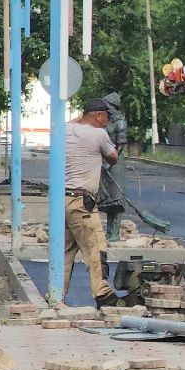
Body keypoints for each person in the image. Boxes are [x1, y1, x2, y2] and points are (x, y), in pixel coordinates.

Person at [64, 97, 121, 307]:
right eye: (106, 116)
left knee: (67, 250)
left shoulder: (65, 130)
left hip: (63, 201)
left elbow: (74, 121)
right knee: (96, 246)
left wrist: (82, 117)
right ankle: (102, 294)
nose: (108, 120)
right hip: (82, 202)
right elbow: (113, 157)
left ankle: (56, 294)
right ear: (98, 115)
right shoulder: (99, 134)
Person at [97, 91, 128, 241]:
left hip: (116, 163)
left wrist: (111, 159)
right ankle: (109, 231)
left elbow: (121, 144)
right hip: (105, 161)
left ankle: (114, 232)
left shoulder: (120, 122)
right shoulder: (106, 121)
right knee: (108, 198)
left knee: (116, 198)